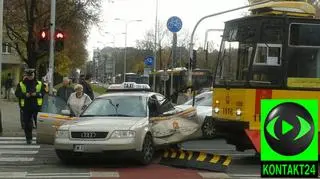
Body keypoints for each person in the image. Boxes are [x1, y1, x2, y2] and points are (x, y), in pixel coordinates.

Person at [15, 69, 45, 144]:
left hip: (37, 106)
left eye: (31, 75)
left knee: (39, 123)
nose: (30, 77)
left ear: (34, 75)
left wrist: (37, 94)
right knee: (27, 124)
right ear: (26, 76)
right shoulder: (21, 84)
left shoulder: (40, 83)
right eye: (28, 76)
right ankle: (29, 138)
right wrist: (25, 95)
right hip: (26, 106)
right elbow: (17, 93)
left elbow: (43, 93)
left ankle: (40, 138)